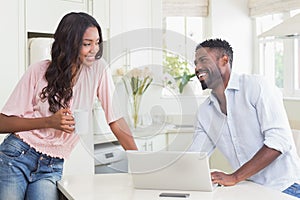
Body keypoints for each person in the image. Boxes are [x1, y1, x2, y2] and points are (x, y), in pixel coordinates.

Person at [0, 12, 137, 200]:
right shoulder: (38, 71)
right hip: (17, 156)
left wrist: (140, 164)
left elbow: (115, 119)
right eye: (87, 44)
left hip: (51, 165)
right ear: (69, 43)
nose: (94, 50)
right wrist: (49, 121)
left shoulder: (98, 70)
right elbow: (3, 123)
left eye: (97, 43)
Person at [190, 38, 300, 198]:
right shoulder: (204, 112)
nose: (197, 67)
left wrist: (235, 177)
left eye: (203, 60)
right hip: (248, 188)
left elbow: (279, 141)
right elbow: (195, 156)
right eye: (196, 63)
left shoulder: (256, 86)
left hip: (285, 187)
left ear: (224, 60)